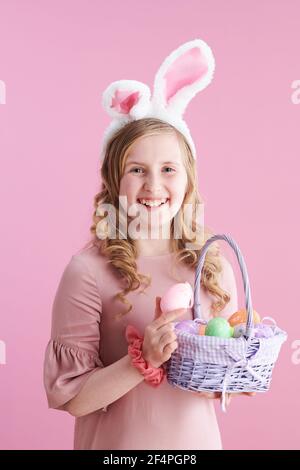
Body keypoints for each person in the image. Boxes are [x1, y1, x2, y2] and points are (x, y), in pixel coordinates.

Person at [43, 39, 254, 450]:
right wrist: (143, 361)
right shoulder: (88, 271)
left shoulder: (212, 267)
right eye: (137, 169)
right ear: (113, 181)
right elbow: (72, 397)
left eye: (169, 169)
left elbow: (213, 391)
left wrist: (237, 371)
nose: (154, 186)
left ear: (188, 180)